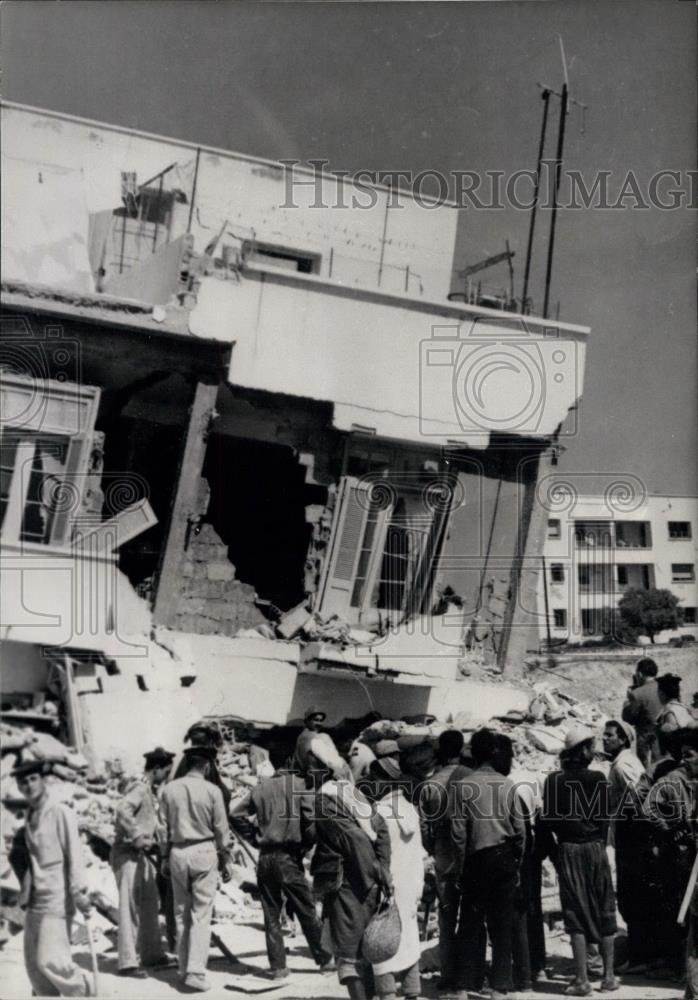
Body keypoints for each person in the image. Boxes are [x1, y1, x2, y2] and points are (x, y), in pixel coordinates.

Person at [230, 748, 332, 980]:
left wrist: (254, 837)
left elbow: (235, 815)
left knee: (271, 913)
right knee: (306, 909)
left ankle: (277, 968)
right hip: (288, 856)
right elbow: (310, 822)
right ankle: (325, 961)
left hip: (265, 857)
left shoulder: (260, 788)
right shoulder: (299, 785)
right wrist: (307, 844)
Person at [306, 737, 392, 1000]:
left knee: (348, 956)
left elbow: (353, 839)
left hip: (349, 884)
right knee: (363, 954)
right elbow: (381, 831)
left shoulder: (325, 798)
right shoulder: (352, 793)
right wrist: (383, 872)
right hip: (366, 881)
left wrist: (372, 876)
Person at [540, 727, 618, 996]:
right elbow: (606, 819)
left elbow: (548, 819)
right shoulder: (598, 779)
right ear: (584, 750)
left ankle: (582, 979)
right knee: (605, 906)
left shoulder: (553, 781)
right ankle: (608, 977)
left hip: (569, 849)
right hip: (595, 848)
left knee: (575, 912)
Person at [449, 728, 525, 1000]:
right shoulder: (508, 785)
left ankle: (462, 986)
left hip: (475, 859)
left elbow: (458, 834)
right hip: (504, 857)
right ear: (494, 753)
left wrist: (459, 867)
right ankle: (500, 986)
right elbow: (520, 831)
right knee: (502, 924)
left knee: (469, 922)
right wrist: (517, 860)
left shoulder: (462, 786)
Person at [9, 759, 92, 997]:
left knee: (52, 961)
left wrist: (80, 894)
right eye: (23, 782)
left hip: (57, 898)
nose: (28, 785)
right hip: (35, 900)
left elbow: (74, 855)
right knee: (34, 966)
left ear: (43, 780)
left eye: (33, 779)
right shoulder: (30, 816)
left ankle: (83, 992)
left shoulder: (60, 812)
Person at [160, 745, 233, 992]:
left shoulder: (169, 789)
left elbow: (162, 829)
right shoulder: (213, 790)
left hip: (177, 852)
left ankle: (183, 968)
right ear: (207, 765)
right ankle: (195, 971)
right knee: (201, 915)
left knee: (181, 912)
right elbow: (222, 829)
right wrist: (226, 857)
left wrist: (163, 857)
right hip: (204, 851)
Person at [110, 746, 175, 978]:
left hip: (142, 855)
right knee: (130, 906)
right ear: (156, 770)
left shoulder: (149, 790)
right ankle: (127, 962)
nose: (167, 777)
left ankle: (152, 954)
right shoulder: (139, 787)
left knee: (149, 903)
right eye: (166, 772)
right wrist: (136, 835)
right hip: (127, 854)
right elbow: (122, 809)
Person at [364, 755, 424, 1000]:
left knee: (382, 941)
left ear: (383, 781)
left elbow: (374, 854)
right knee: (409, 939)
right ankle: (412, 992)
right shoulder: (410, 809)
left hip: (388, 886)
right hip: (412, 884)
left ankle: (388, 994)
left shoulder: (379, 812)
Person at [642, 726, 698, 980]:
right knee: (681, 909)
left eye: (691, 755)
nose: (685, 760)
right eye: (684, 755)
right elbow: (648, 807)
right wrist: (668, 828)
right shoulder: (673, 779)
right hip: (682, 854)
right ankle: (681, 966)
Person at [418, 729, 471, 994]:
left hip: (443, 854)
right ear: (461, 749)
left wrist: (436, 848)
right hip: (470, 855)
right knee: (472, 916)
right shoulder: (472, 778)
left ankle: (449, 975)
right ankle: (469, 973)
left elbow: (425, 828)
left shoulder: (430, 784)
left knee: (447, 917)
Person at [493, 732, 546, 993]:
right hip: (529, 853)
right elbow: (537, 814)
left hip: (512, 854)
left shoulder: (505, 784)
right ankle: (536, 967)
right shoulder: (531, 778)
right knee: (530, 909)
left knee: (511, 915)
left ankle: (515, 974)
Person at [601, 720, 653, 973]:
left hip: (631, 835)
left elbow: (639, 797)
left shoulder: (623, 765)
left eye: (610, 735)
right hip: (629, 833)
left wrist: (626, 823)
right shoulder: (623, 761)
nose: (604, 739)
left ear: (623, 739)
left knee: (632, 896)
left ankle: (639, 957)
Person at [622, 658, 662, 766]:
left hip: (644, 734)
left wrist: (627, 702)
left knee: (644, 765)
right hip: (662, 732)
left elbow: (628, 718)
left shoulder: (637, 693)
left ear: (639, 674)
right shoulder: (664, 687)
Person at [294, 706, 328, 773]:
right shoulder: (310, 736)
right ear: (307, 721)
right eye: (316, 720)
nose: (319, 723)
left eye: (321, 721)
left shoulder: (303, 735)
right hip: (312, 777)